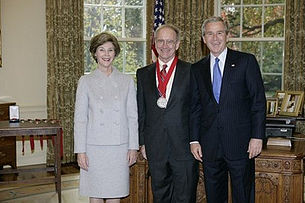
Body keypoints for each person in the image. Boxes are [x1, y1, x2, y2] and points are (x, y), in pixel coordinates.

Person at [190, 17, 266, 203]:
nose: (215, 38)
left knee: (243, 195)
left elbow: (258, 102)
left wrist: (257, 137)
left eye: (219, 33)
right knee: (214, 197)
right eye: (210, 34)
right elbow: (195, 107)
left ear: (228, 35)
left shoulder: (246, 61)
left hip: (241, 144)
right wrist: (194, 140)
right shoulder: (197, 68)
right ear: (203, 38)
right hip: (210, 146)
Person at [136, 24, 199, 203]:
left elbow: (196, 109)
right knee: (160, 196)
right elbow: (141, 111)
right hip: (155, 147)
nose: (165, 45)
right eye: (160, 41)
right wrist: (142, 142)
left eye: (170, 41)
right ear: (154, 43)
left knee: (185, 197)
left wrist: (195, 140)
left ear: (177, 44)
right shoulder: (143, 74)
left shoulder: (191, 71)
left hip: (184, 148)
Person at [74, 32, 138, 203]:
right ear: (95, 53)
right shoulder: (85, 82)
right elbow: (80, 119)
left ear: (115, 53)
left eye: (110, 50)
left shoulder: (127, 81)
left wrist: (133, 147)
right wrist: (80, 151)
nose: (106, 54)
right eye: (101, 50)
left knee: (115, 195)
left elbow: (133, 117)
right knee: (95, 194)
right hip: (94, 148)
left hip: (119, 148)